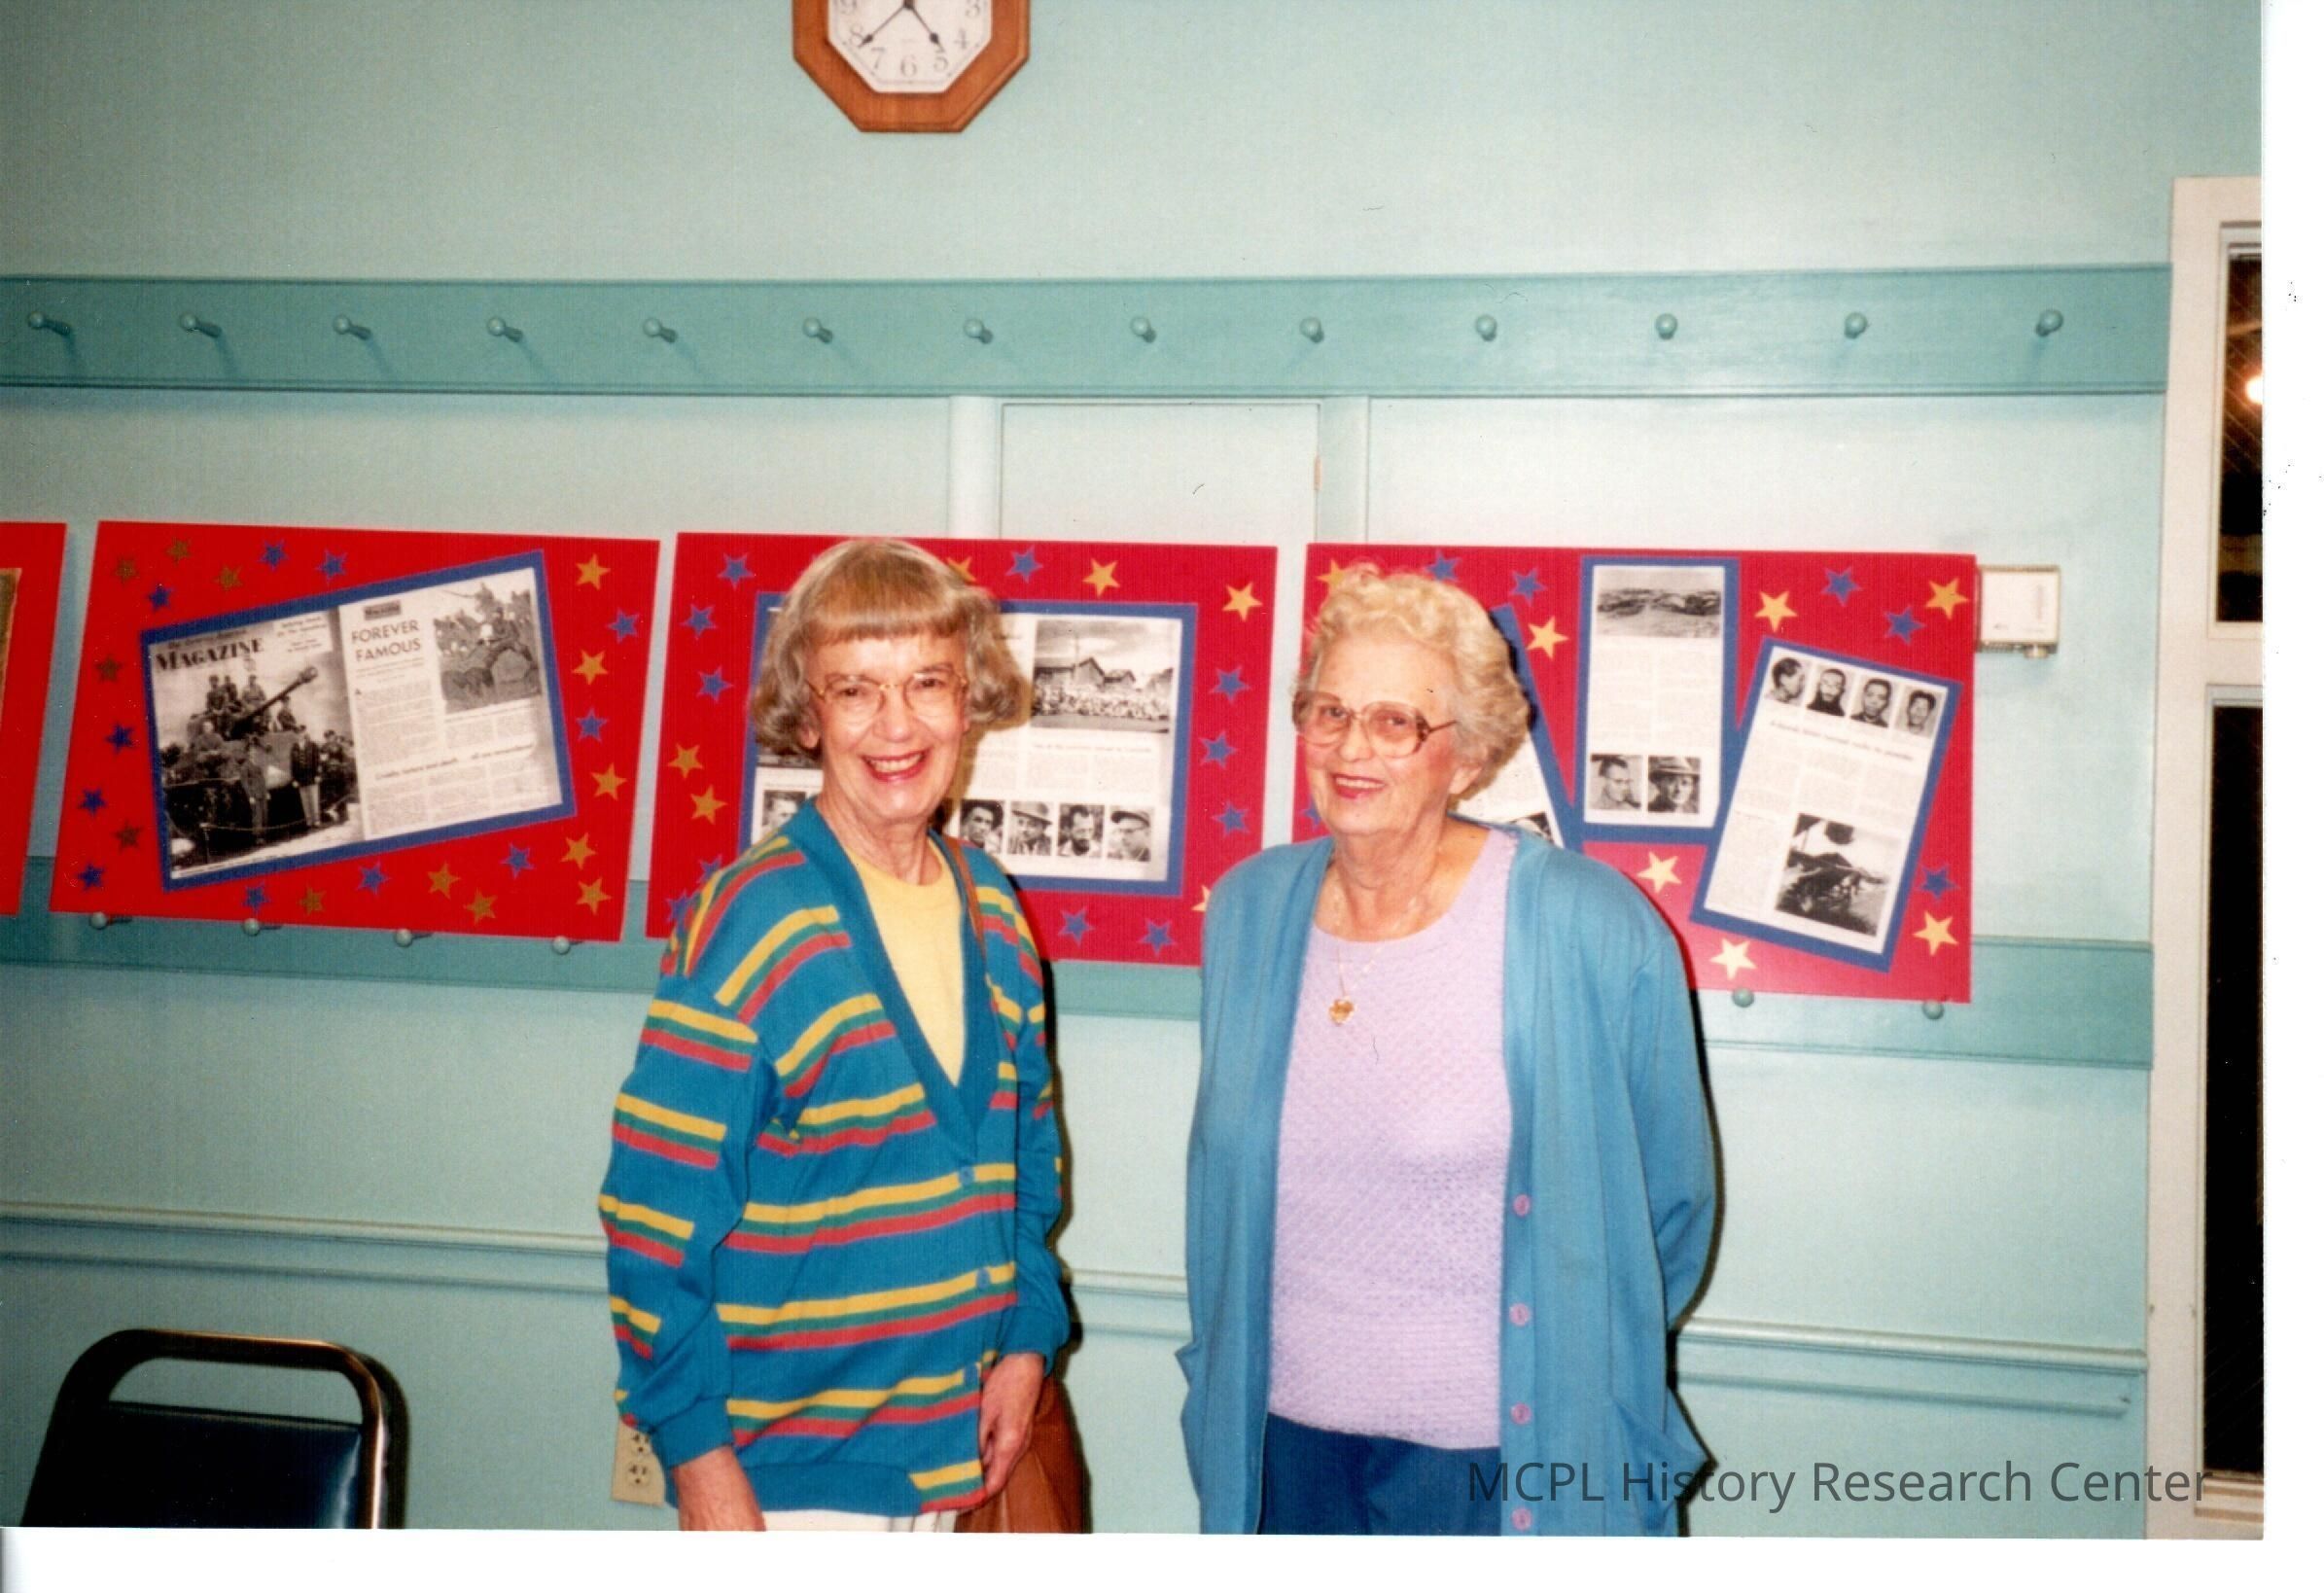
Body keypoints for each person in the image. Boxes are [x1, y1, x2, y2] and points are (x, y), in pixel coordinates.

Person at [1181, 567, 1716, 1537]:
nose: (1351, 748)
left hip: (1498, 1467)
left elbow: (1667, 1211)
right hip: (1278, 1452)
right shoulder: (1249, 910)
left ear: (1464, 757)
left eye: (1396, 722)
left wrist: (1574, 1371)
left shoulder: (1585, 922)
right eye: (1328, 712)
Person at [601, 539, 1069, 1533]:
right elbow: (652, 1220)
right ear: (808, 717)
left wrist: (1027, 1342)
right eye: (855, 690)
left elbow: (1027, 1159)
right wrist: (700, 1464)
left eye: (927, 682)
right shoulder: (751, 921)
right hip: (789, 1484)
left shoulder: (992, 907)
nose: (896, 725)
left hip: (949, 1455)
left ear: (969, 699)